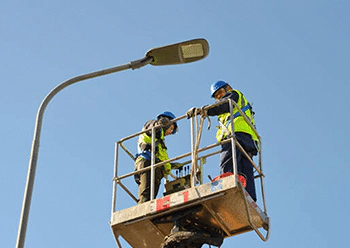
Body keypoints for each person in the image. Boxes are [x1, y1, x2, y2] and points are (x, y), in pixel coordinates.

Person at [187, 80, 259, 201]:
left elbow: (224, 104)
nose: (219, 96)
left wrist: (204, 110)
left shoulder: (233, 95)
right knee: (244, 168)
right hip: (248, 139)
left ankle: (227, 184)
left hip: (237, 134)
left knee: (228, 159)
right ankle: (250, 197)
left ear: (228, 88)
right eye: (216, 96)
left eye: (220, 92)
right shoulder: (231, 108)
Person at [134, 111, 182, 204]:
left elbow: (162, 159)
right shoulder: (153, 127)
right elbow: (152, 126)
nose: (170, 132)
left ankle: (147, 211)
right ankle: (143, 212)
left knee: (152, 195)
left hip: (156, 168)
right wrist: (160, 123)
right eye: (171, 128)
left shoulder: (161, 142)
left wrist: (171, 165)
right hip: (146, 162)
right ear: (167, 124)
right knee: (146, 194)